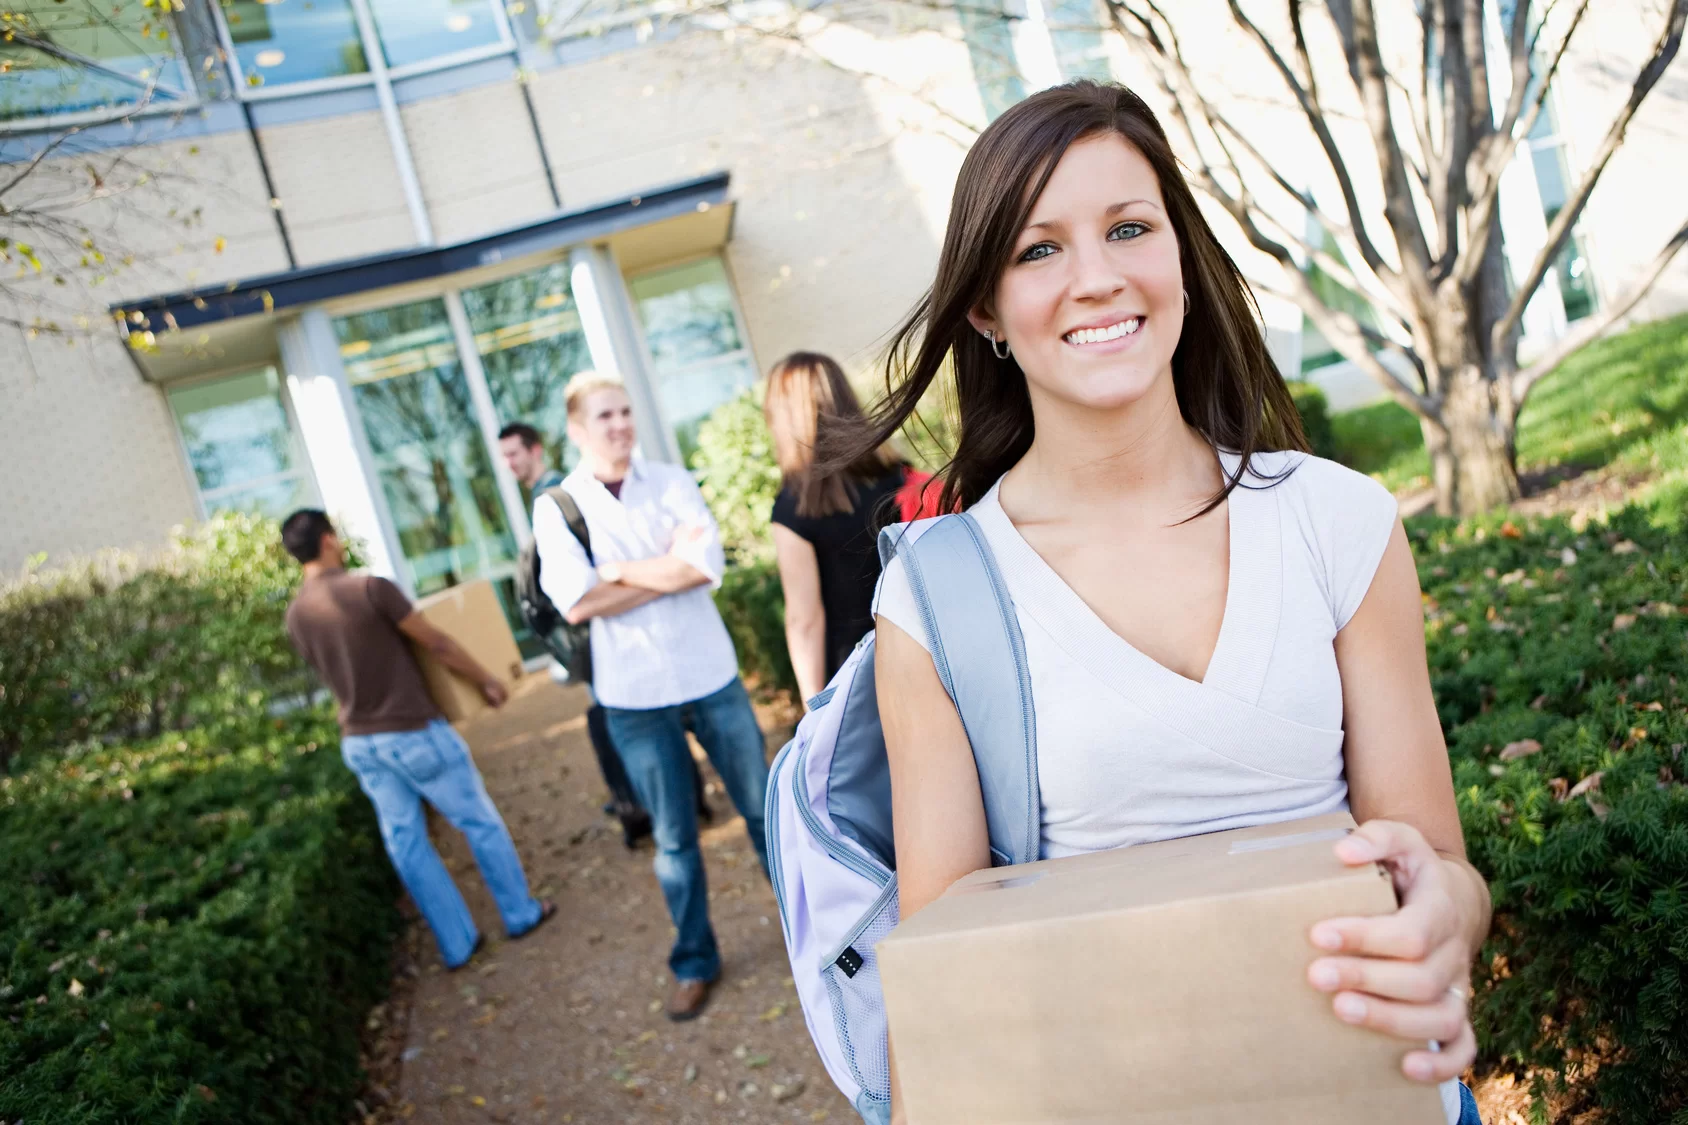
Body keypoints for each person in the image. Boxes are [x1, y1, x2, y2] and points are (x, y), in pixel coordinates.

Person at [832, 83, 1489, 1125]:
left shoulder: (1335, 521)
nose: (1096, 279)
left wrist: (1443, 918)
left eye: (1128, 229)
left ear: (1176, 256)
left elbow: (1437, 862)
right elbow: (943, 977)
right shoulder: (935, 598)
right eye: (1037, 250)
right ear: (983, 308)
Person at [531, 371, 771, 1021]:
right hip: (634, 695)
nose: (620, 424)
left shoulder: (671, 481)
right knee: (674, 839)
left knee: (765, 810)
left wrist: (614, 572)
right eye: (605, 416)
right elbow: (577, 603)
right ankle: (695, 961)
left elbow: (702, 567)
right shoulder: (558, 507)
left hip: (708, 674)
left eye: (626, 411)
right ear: (577, 429)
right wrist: (659, 573)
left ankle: (826, 929)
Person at [280, 510, 555, 970]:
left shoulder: (296, 616)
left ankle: (458, 943)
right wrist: (486, 679)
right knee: (478, 821)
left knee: (406, 844)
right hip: (411, 732)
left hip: (361, 744)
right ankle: (520, 913)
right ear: (329, 540)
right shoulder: (370, 589)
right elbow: (437, 643)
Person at [499, 420, 716, 848]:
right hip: (602, 627)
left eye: (514, 453)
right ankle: (680, 803)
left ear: (536, 449)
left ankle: (672, 807)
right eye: (504, 456)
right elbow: (578, 597)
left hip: (619, 636)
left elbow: (593, 592)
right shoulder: (549, 498)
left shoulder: (563, 497)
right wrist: (665, 575)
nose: (508, 463)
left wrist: (626, 580)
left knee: (652, 716)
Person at [764, 351, 912, 703]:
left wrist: (813, 708)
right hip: (919, 646)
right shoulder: (898, 476)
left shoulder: (794, 506)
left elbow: (804, 620)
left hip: (856, 671)